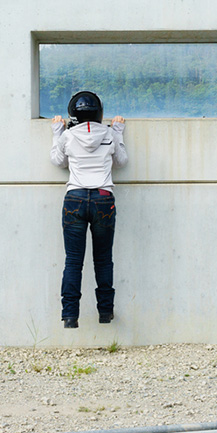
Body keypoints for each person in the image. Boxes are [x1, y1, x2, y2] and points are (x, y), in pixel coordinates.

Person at [50, 91, 128, 328]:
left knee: (73, 261)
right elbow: (121, 161)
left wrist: (57, 133)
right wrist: (118, 132)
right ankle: (105, 312)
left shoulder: (68, 136)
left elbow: (58, 161)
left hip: (75, 198)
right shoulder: (109, 134)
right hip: (103, 198)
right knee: (103, 260)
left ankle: (70, 316)